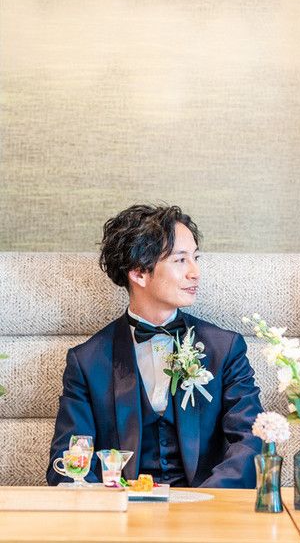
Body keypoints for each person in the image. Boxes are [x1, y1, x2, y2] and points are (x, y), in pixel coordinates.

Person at [47, 204, 262, 487]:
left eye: (195, 258)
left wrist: (205, 502)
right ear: (139, 273)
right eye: (180, 260)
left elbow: (251, 440)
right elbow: (67, 460)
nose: (195, 272)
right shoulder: (87, 361)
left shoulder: (225, 349)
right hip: (121, 507)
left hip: (205, 504)